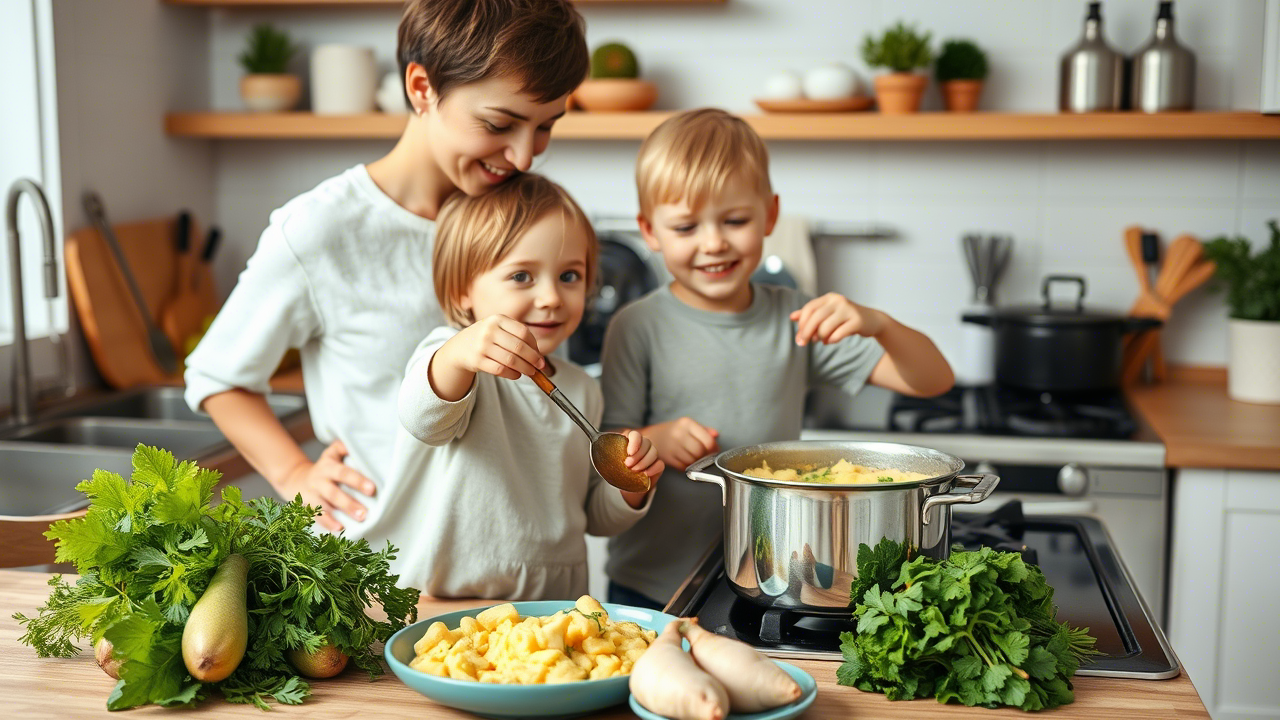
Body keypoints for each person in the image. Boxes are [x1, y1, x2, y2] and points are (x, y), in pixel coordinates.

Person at [182, 0, 588, 534]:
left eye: (545, 127)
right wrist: (292, 471)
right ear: (421, 88)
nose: (524, 157)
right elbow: (217, 376)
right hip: (374, 567)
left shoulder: (515, 216)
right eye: (499, 124)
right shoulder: (321, 230)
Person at [601, 109, 955, 609]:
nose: (714, 242)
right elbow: (609, 451)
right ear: (650, 231)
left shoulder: (795, 316)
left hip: (769, 576)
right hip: (650, 583)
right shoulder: (636, 326)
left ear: (770, 215)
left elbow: (932, 380)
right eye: (685, 226)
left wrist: (879, 323)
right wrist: (653, 442)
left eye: (736, 220)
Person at [385, 174, 663, 598]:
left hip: (551, 609)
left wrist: (630, 487)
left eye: (569, 276)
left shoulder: (583, 388)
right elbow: (423, 420)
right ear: (463, 291)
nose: (552, 296)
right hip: (445, 604)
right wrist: (459, 354)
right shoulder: (454, 358)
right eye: (521, 277)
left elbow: (592, 517)